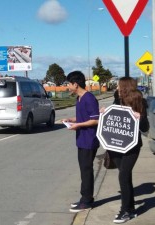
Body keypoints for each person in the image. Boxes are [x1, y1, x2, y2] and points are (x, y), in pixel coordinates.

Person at [107, 77, 149, 224]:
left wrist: (139, 117)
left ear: (124, 86)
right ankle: (130, 208)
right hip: (115, 146)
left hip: (132, 146)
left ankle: (125, 211)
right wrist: (105, 113)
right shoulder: (117, 100)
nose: (117, 87)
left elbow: (145, 127)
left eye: (119, 85)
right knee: (125, 176)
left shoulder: (139, 100)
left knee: (123, 176)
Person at [61, 71, 100, 213]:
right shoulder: (79, 98)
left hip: (89, 140)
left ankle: (87, 201)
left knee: (86, 170)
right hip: (81, 140)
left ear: (75, 84)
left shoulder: (89, 98)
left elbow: (95, 119)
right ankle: (85, 198)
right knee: (84, 170)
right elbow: (85, 117)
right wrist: (72, 120)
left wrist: (78, 125)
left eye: (68, 84)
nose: (67, 87)